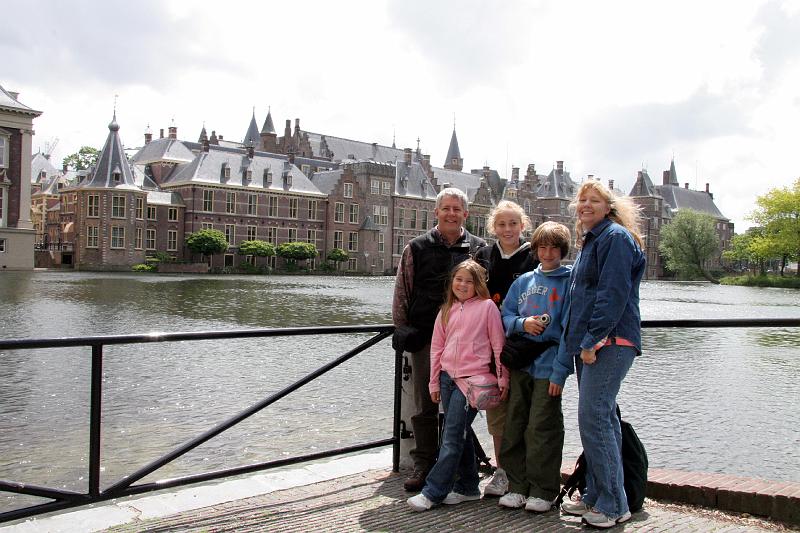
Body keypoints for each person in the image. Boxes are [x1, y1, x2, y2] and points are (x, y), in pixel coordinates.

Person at [550, 180, 646, 529]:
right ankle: (597, 496)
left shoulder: (615, 239)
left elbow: (612, 294)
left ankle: (613, 505)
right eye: (582, 200)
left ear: (609, 207)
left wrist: (592, 340)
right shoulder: (594, 240)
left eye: (595, 200)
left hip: (610, 342)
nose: (586, 205)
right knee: (601, 420)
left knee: (595, 418)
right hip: (592, 343)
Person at [392, 187, 487, 492]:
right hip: (426, 338)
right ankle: (424, 462)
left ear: (466, 214)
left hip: (466, 344)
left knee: (459, 406)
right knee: (425, 403)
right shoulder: (416, 247)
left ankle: (456, 465)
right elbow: (402, 291)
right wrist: (402, 329)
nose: (450, 213)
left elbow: (486, 295)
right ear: (436, 212)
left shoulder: (479, 248)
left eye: (456, 209)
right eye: (445, 208)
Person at [407, 260, 508, 511]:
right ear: (451, 282)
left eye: (469, 281)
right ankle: (468, 487)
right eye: (458, 279)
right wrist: (433, 382)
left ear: (478, 284)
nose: (463, 285)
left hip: (471, 382)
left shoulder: (487, 308)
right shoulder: (446, 309)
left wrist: (502, 378)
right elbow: (437, 349)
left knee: (450, 437)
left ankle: (433, 492)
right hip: (446, 379)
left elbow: (498, 346)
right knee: (458, 435)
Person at [496, 221, 572, 512]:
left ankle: (544, 488)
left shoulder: (569, 282)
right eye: (543, 246)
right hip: (522, 362)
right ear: (536, 249)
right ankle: (518, 485)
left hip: (549, 363)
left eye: (554, 247)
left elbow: (569, 330)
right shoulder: (523, 281)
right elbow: (505, 315)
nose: (548, 252)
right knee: (515, 422)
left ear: (562, 250)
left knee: (543, 425)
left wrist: (561, 370)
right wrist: (521, 323)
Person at [474, 200, 538, 497]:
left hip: (525, 346)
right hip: (489, 346)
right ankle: (502, 471)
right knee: (497, 411)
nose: (507, 229)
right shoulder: (483, 257)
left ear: (522, 226)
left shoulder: (535, 257)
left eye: (513, 223)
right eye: (501, 224)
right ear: (493, 228)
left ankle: (522, 473)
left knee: (522, 411)